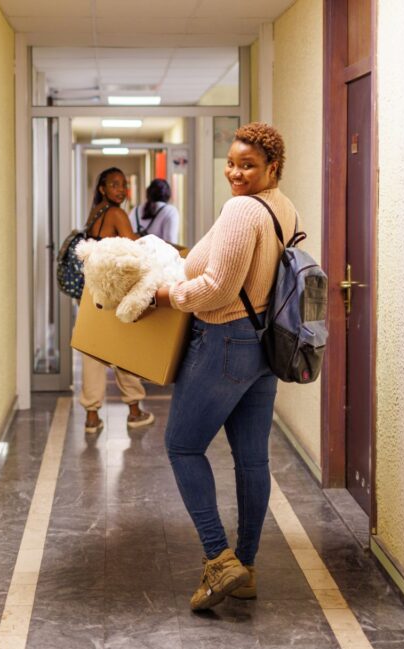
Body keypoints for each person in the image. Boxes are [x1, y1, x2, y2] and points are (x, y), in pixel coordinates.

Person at [150, 123, 297, 610]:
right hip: (263, 348)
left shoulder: (241, 210)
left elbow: (216, 288)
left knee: (182, 446)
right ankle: (248, 568)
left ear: (271, 167)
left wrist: (168, 294)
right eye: (231, 163)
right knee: (252, 459)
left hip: (224, 339)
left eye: (248, 165)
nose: (235, 172)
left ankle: (219, 558)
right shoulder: (283, 207)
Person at [78, 167, 154, 434]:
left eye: (123, 185)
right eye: (114, 185)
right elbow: (132, 248)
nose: (121, 190)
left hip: (91, 292)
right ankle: (134, 411)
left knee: (93, 352)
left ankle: (91, 416)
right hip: (111, 292)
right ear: (102, 189)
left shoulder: (95, 213)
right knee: (123, 350)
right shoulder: (117, 213)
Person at [129, 178, 180, 244]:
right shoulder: (170, 211)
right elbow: (171, 243)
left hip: (134, 252)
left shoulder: (135, 210)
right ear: (168, 194)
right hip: (158, 254)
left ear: (148, 193)